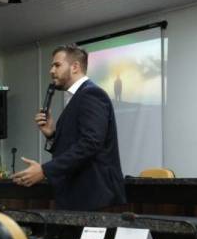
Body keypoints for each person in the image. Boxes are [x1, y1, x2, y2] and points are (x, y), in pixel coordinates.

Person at [12, 44, 126, 211]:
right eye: (52, 66)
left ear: (75, 67)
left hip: (94, 197)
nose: (51, 71)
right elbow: (75, 144)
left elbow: (90, 143)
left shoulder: (91, 94)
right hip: (80, 196)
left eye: (57, 65)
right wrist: (51, 134)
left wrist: (44, 170)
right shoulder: (79, 96)